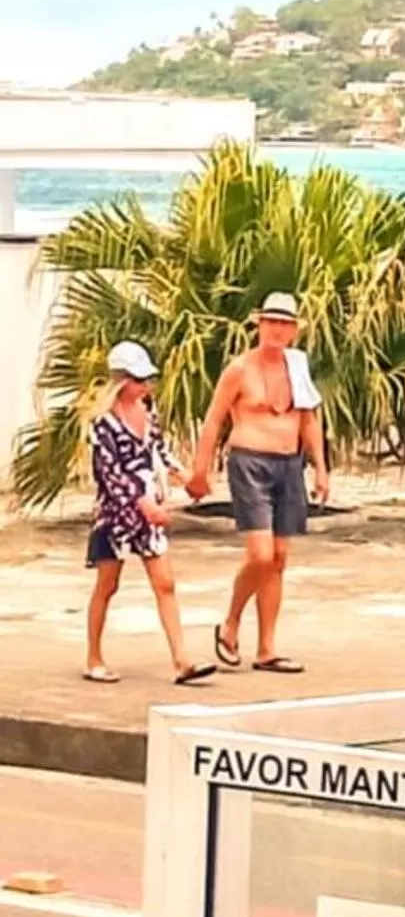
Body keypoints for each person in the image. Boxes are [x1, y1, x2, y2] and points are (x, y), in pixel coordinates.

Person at [188, 292, 329, 674]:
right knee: (260, 556)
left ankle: (266, 649)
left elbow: (308, 419)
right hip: (250, 461)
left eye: (284, 323)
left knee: (279, 559)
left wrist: (320, 467)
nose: (276, 329)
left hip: (289, 464)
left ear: (294, 330)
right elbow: (215, 419)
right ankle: (231, 623)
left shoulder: (297, 366)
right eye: (270, 322)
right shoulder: (239, 368)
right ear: (259, 324)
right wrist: (200, 471)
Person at [85, 342, 215, 687]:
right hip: (117, 517)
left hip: (150, 511)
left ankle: (182, 660)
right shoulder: (103, 425)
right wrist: (144, 505)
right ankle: (94, 657)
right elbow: (110, 475)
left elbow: (159, 451)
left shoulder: (148, 411)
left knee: (165, 583)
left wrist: (186, 477)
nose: (145, 386)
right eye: (139, 379)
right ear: (122, 380)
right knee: (107, 585)